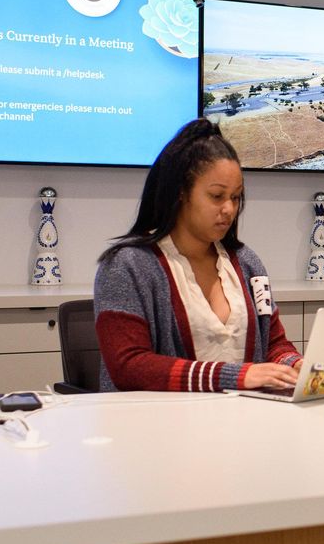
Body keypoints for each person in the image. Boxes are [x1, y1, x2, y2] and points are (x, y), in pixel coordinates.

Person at [94, 118, 302, 391]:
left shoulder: (247, 263)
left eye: (236, 197)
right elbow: (128, 366)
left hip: (242, 415)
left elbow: (273, 343)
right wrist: (236, 376)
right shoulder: (127, 266)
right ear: (181, 193)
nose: (229, 209)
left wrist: (294, 364)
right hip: (157, 417)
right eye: (216, 196)